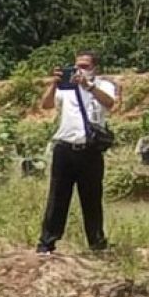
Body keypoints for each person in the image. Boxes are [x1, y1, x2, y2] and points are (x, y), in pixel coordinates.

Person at [36, 50, 118, 255]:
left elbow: (110, 103)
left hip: (90, 150)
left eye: (85, 66)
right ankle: (47, 243)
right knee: (57, 197)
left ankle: (97, 242)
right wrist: (54, 83)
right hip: (65, 148)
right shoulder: (66, 87)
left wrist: (87, 86)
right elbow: (45, 105)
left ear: (94, 68)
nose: (79, 70)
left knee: (92, 198)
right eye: (77, 66)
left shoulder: (103, 85)